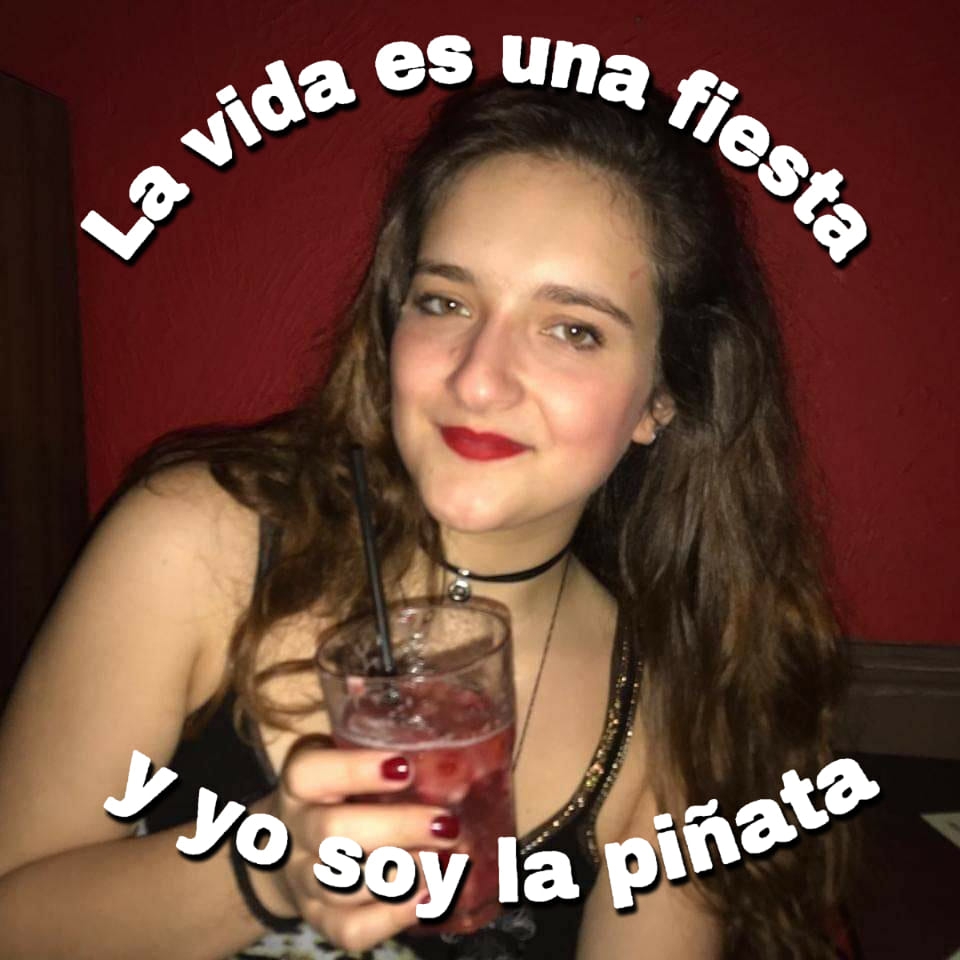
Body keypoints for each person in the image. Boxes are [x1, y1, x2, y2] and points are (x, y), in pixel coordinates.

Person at [0, 79, 853, 959]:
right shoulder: (196, 540)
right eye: (446, 302)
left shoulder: (672, 718)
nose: (478, 379)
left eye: (573, 330)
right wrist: (267, 873)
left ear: (662, 397)